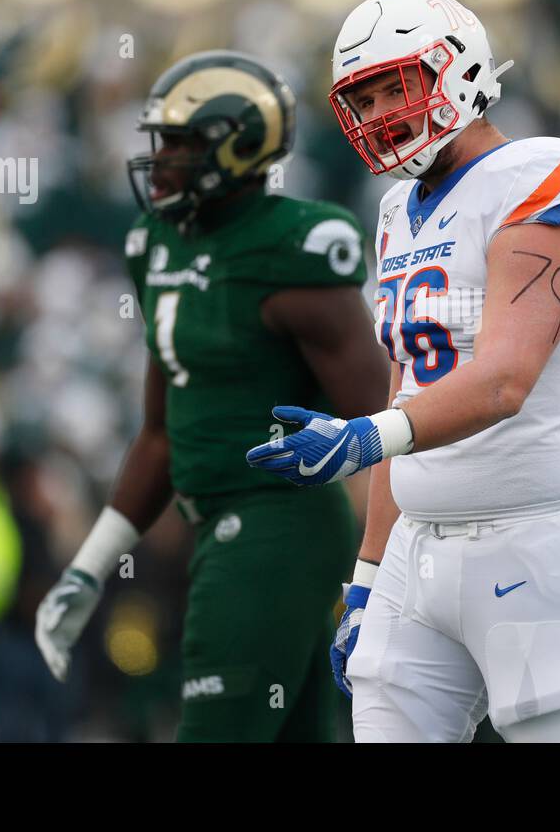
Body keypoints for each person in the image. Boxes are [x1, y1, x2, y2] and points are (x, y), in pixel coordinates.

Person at [246, 0, 560, 743]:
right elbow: (409, 390)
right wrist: (366, 577)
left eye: (397, 85)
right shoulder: (397, 211)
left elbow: (504, 379)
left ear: (459, 71)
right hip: (417, 554)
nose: (381, 111)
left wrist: (361, 439)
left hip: (536, 541)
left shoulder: (544, 172)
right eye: (365, 98)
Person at [35, 51, 388, 742]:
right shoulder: (154, 244)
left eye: (178, 144)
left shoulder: (296, 248)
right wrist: (89, 566)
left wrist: (382, 566)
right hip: (218, 527)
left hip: (278, 524)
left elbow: (384, 419)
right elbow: (162, 434)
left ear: (239, 147)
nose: (159, 160)